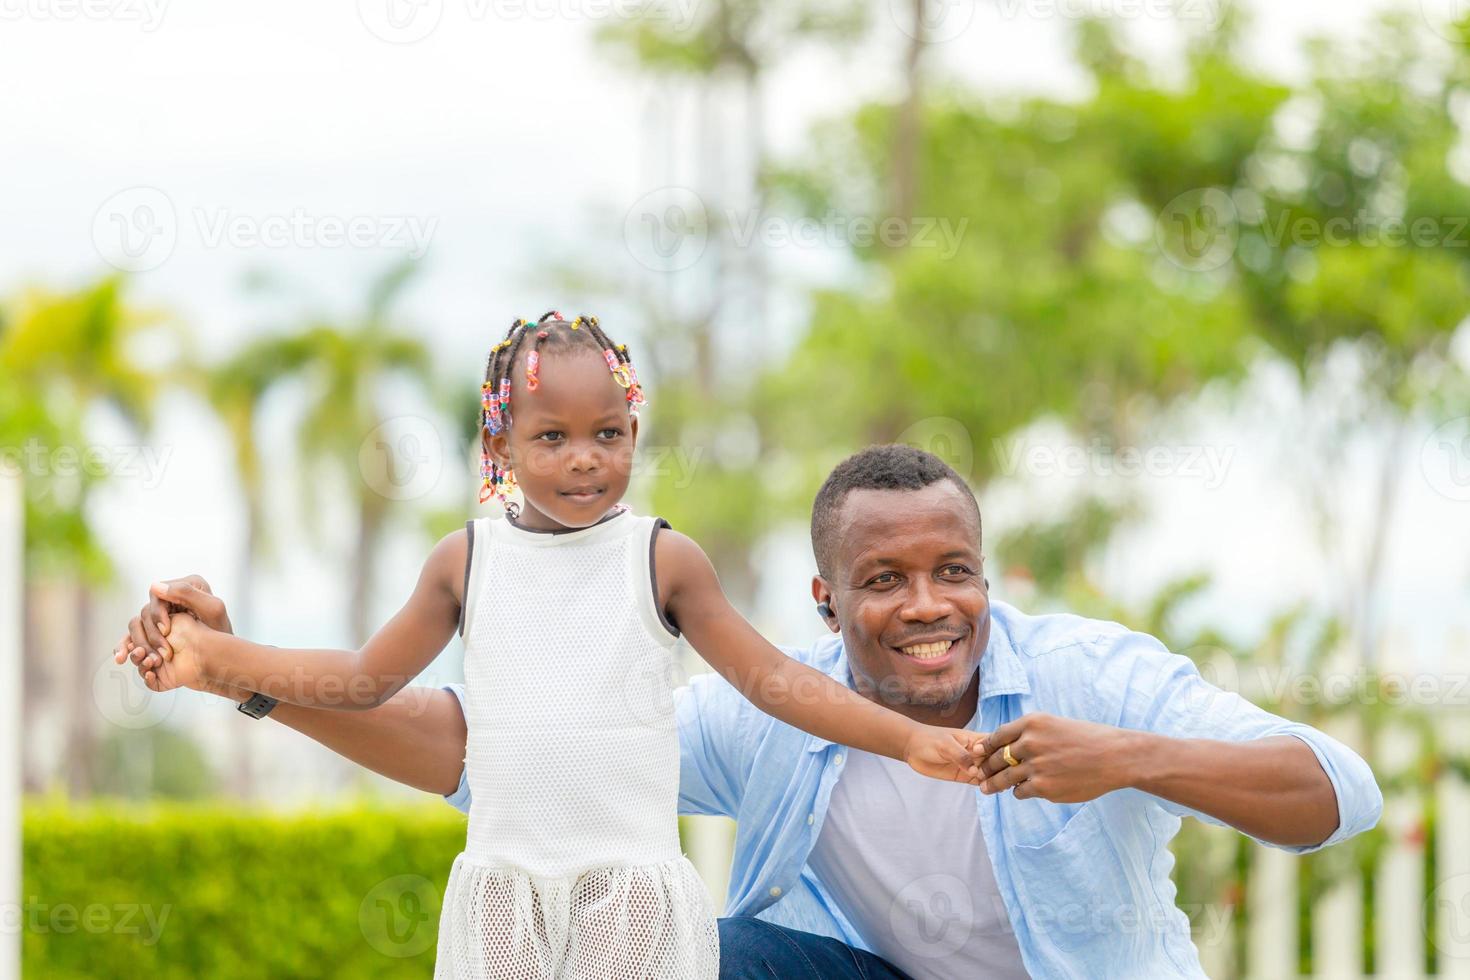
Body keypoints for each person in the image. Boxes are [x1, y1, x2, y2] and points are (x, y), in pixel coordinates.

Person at [119, 444, 1383, 979]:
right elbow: (478, 752)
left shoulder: (1092, 676)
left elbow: (1337, 789)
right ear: (830, 601)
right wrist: (243, 670)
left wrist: (1129, 759)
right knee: (667, 934)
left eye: (955, 570)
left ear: (987, 574)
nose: (929, 604)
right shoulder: (777, 705)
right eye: (886, 580)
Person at [112, 314, 984, 980]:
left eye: (608, 434)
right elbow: (362, 680)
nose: (584, 461)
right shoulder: (466, 561)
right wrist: (222, 660)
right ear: (500, 444)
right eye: (552, 437)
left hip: (630, 896)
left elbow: (779, 684)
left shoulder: (662, 560)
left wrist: (912, 741)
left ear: (634, 436)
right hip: (502, 897)